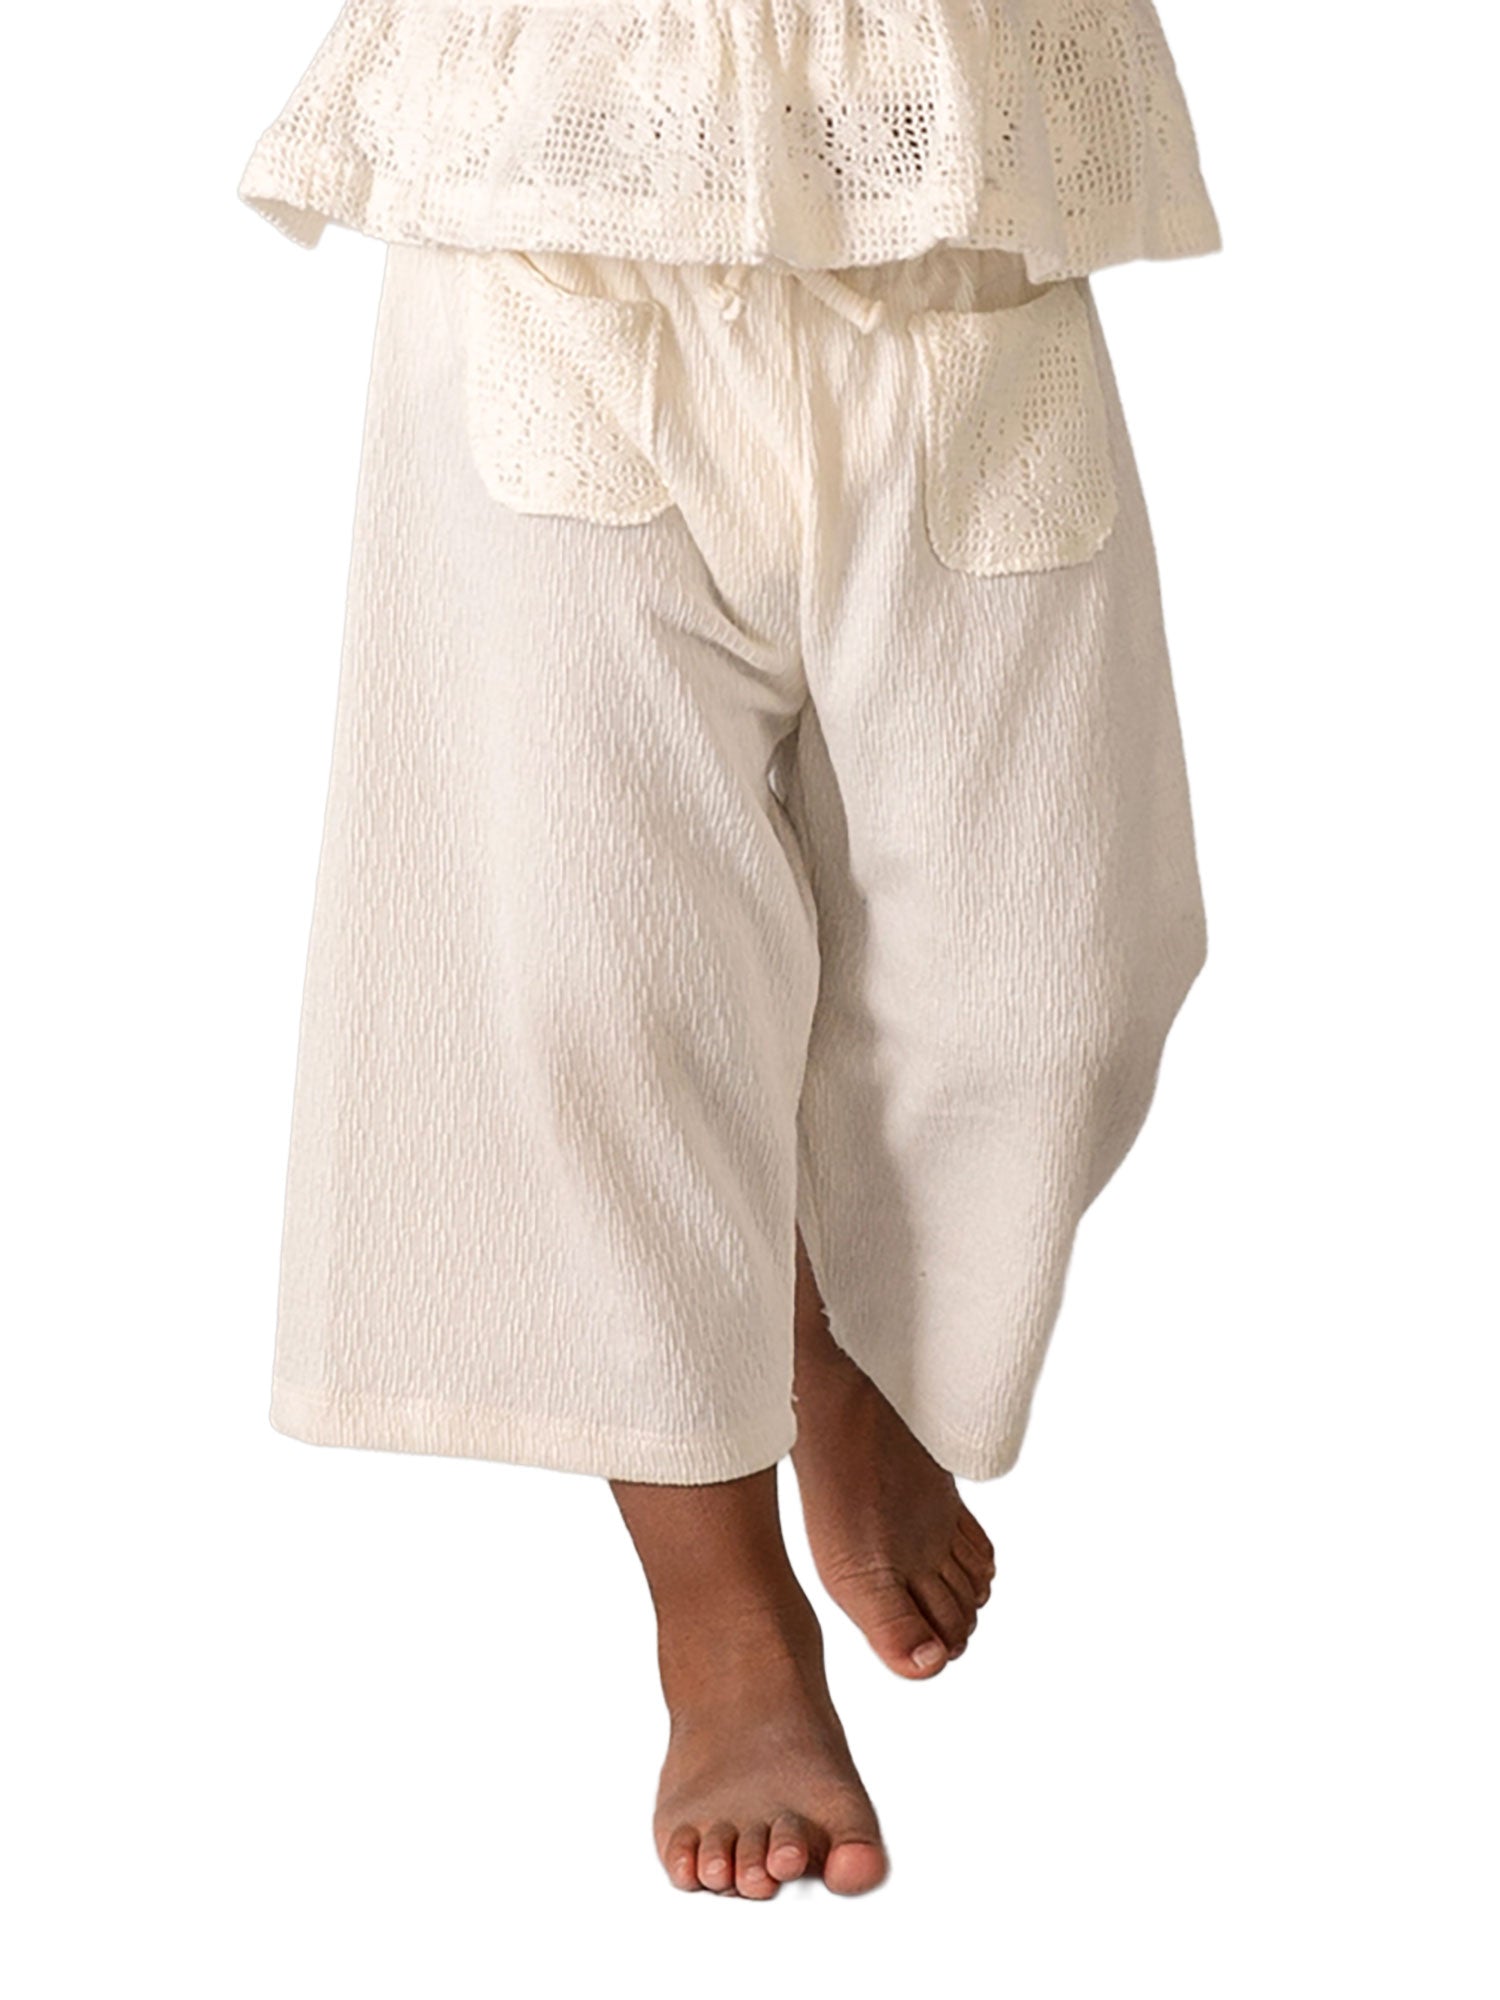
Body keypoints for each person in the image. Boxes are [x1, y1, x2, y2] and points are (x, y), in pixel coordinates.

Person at [239, 0, 1220, 1898]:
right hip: (555, 208)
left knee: (1060, 995)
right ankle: (720, 1611)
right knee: (597, 978)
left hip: (947, 192)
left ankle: (839, 1349)